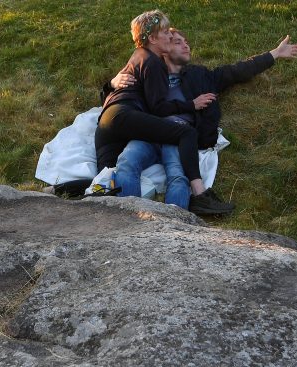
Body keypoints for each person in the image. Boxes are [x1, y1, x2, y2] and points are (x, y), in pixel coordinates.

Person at [105, 29, 297, 213]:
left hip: (179, 135)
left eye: (186, 42)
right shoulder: (149, 71)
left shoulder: (200, 75)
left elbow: (237, 71)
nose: (186, 46)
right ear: (163, 48)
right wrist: (112, 83)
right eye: (177, 42)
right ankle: (127, 219)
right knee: (127, 162)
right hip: (149, 130)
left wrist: (274, 54)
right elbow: (121, 96)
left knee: (178, 177)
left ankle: (171, 229)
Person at [94, 9, 234, 214]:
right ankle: (198, 195)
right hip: (123, 116)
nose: (170, 35)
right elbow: (157, 107)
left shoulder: (139, 56)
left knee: (106, 177)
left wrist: (112, 83)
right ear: (152, 38)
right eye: (166, 31)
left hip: (108, 123)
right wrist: (191, 105)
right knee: (186, 134)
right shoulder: (153, 62)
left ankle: (121, 215)